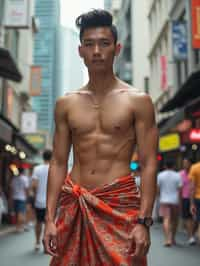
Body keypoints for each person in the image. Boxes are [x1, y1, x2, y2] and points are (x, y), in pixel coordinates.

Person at [43, 9, 158, 266]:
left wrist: (144, 221)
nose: (97, 51)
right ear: (80, 50)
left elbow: (150, 163)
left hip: (120, 206)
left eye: (104, 44)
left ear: (117, 49)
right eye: (89, 44)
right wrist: (49, 219)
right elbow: (58, 162)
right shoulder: (66, 104)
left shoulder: (138, 101)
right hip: (74, 205)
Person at [157, 159, 182, 247]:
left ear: (165, 166)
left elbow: (158, 189)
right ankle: (173, 238)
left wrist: (160, 197)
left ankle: (167, 239)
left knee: (166, 219)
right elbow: (180, 190)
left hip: (164, 200)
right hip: (175, 201)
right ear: (174, 166)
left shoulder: (160, 175)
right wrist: (180, 202)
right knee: (175, 220)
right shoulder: (177, 175)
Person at [32, 150, 52, 251]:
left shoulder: (37, 169)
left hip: (39, 201)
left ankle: (37, 243)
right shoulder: (54, 169)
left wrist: (35, 197)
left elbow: (34, 185)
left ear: (43, 157)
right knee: (48, 223)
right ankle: (46, 246)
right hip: (51, 202)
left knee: (38, 222)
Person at [180, 157, 196, 245]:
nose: (184, 165)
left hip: (196, 197)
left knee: (195, 218)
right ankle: (191, 236)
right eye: (183, 163)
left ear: (191, 163)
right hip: (185, 198)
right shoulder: (181, 174)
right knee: (188, 217)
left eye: (186, 163)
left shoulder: (195, 171)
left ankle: (192, 234)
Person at [11, 168, 29, 232]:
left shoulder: (14, 179)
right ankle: (19, 227)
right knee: (21, 213)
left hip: (14, 197)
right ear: (23, 172)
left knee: (17, 213)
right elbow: (26, 189)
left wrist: (10, 198)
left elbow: (11, 189)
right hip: (22, 198)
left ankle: (19, 226)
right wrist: (27, 197)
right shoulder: (25, 179)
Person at [189, 159, 200, 245]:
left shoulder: (195, 167)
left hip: (197, 198)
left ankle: (192, 236)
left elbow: (192, 187)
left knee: (196, 218)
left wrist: (192, 203)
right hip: (197, 198)